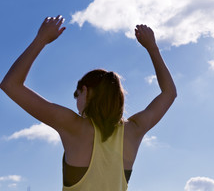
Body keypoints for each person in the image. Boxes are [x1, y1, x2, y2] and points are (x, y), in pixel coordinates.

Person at [0, 15, 177, 191]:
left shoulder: (72, 125)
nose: (76, 101)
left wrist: (41, 40)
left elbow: (10, 85)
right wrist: (152, 48)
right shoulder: (135, 129)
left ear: (85, 90)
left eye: (76, 94)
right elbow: (169, 93)